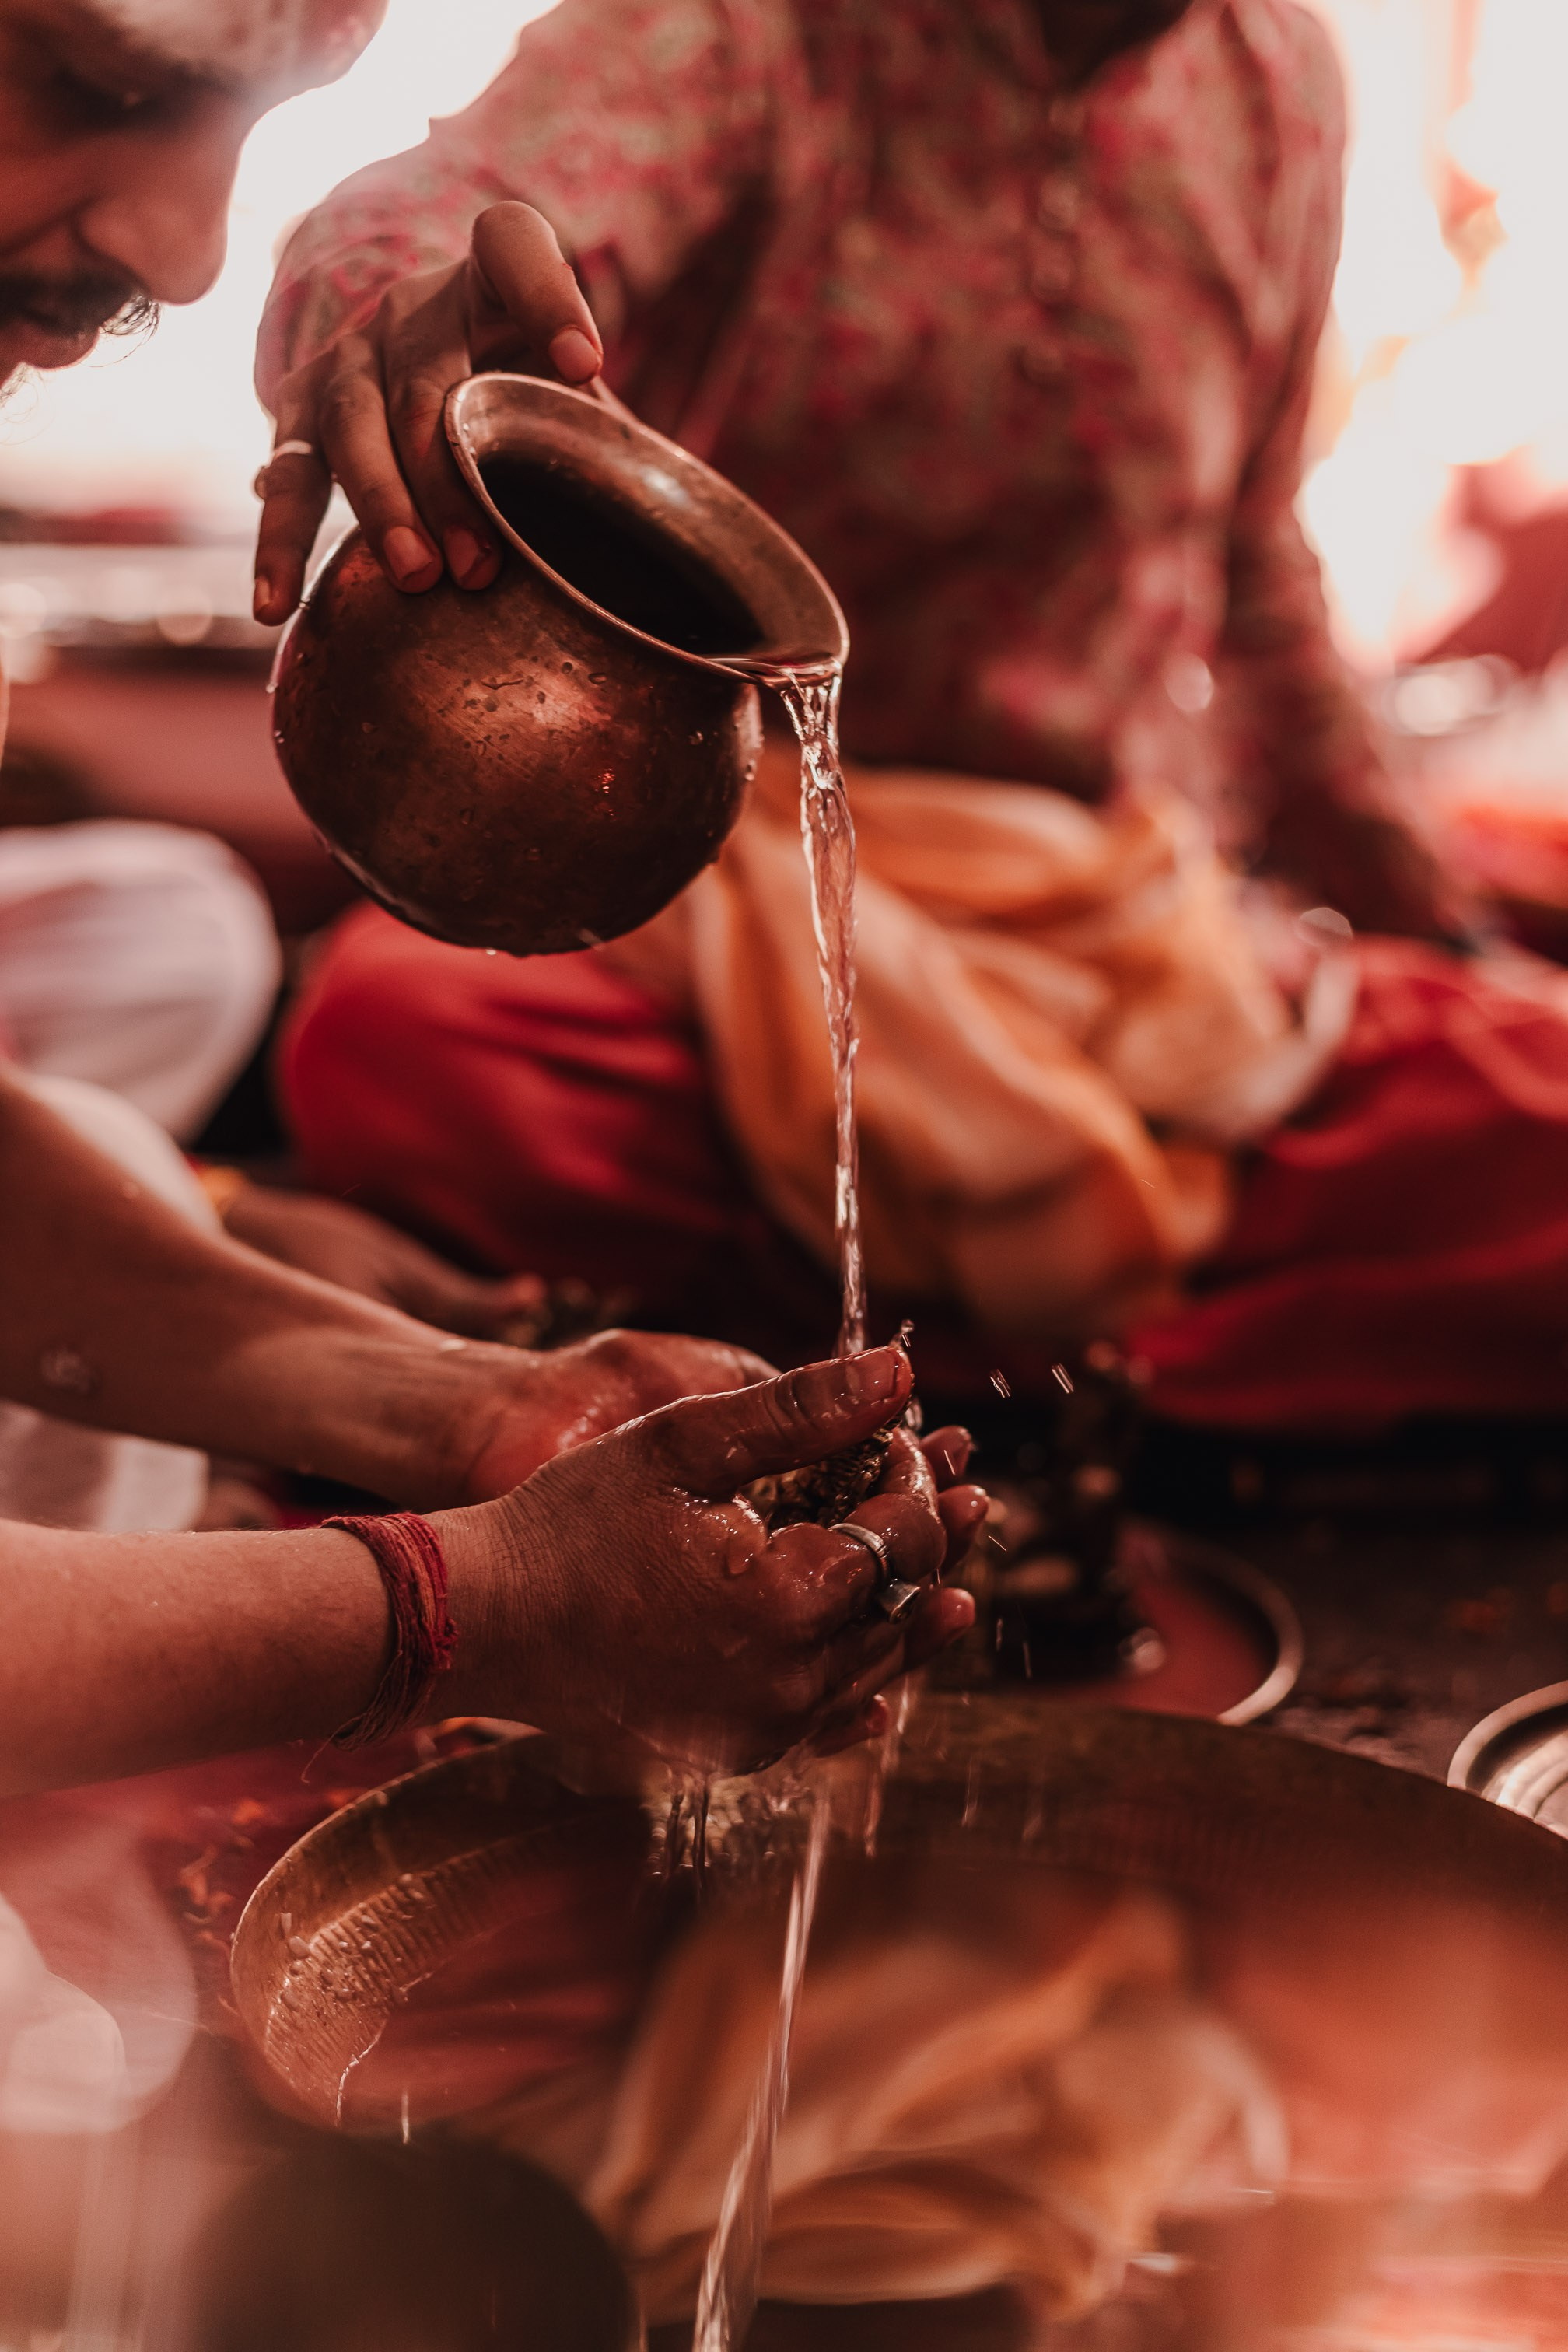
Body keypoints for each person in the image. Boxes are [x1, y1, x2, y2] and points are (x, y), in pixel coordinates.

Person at [252, 0, 1568, 1429]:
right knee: (398, 1036)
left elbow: (1251, 561)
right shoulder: (750, 31)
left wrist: (1436, 926)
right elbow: (462, 206)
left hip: (1104, 922)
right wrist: (388, 301)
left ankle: (826, 1370)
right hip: (732, 890)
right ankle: (1116, 1372)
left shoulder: (1279, 81)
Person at [0, 0, 979, 1795]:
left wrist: (491, 1412)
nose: (188, 251)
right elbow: (454, 205)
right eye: (108, 89)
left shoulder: (1278, 99)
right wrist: (481, 1607)